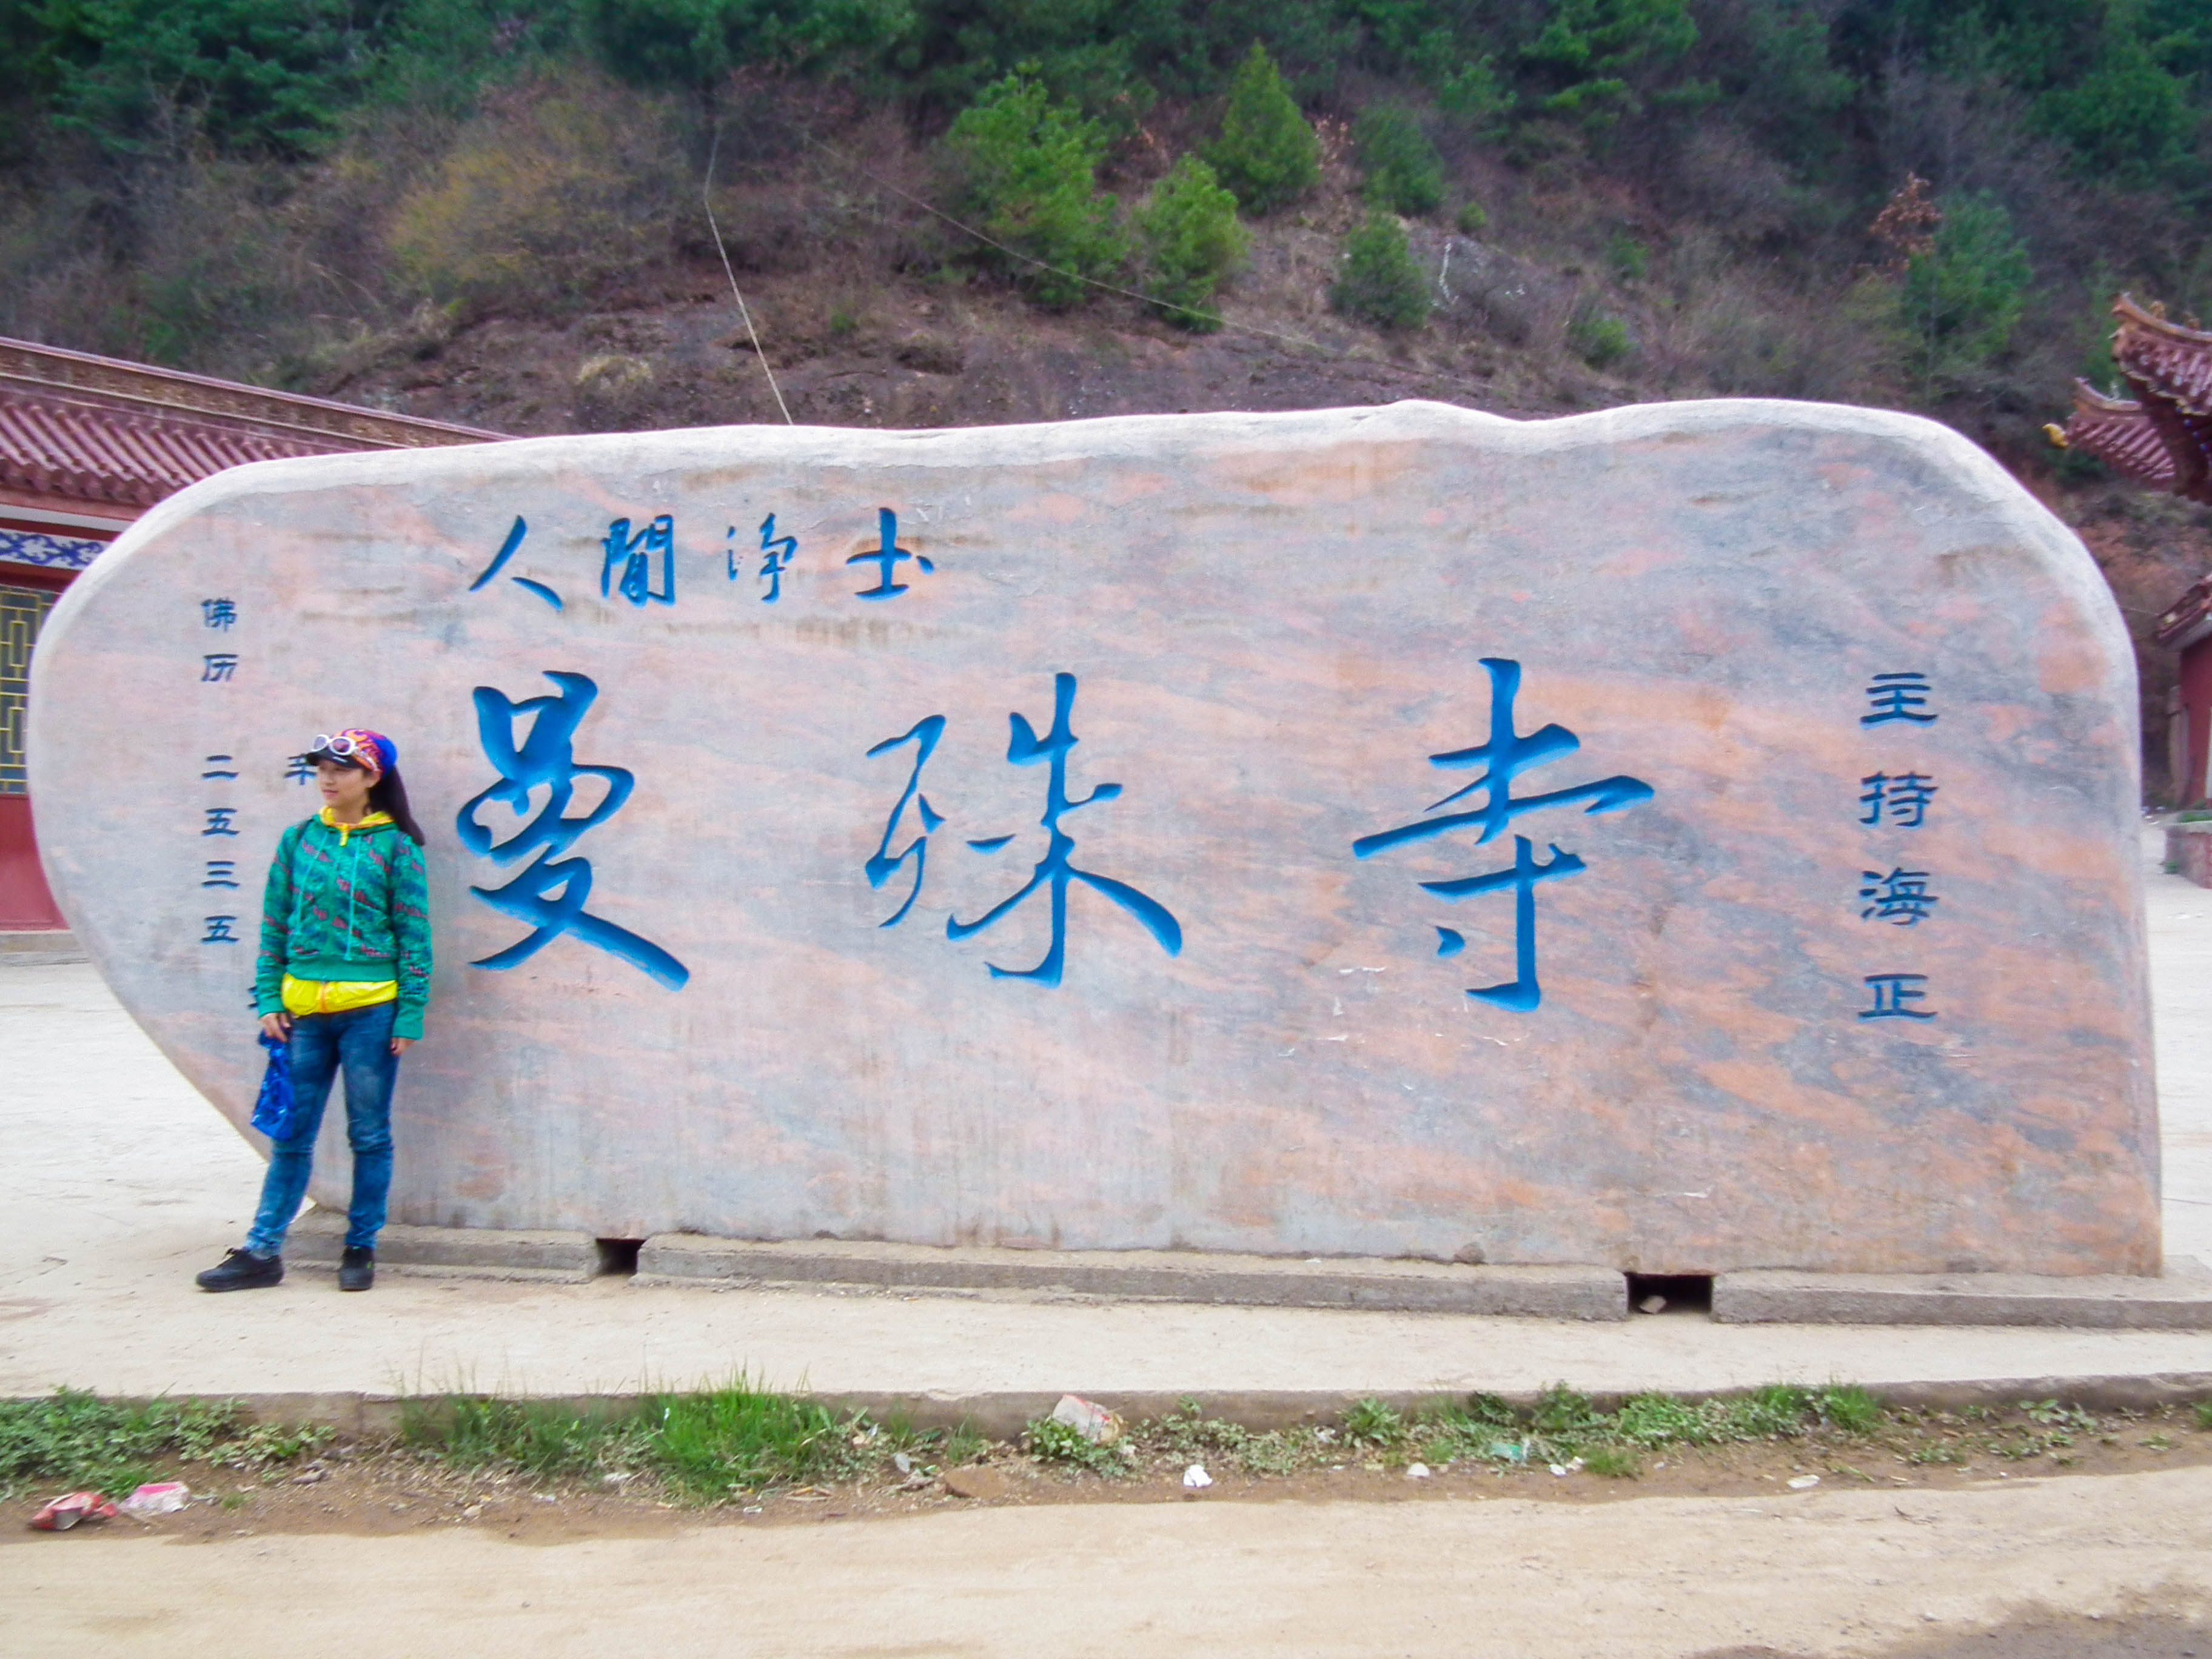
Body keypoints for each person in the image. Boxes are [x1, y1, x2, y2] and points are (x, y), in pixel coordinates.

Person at [196, 729, 432, 1293]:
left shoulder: (396, 847)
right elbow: (274, 922)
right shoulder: (299, 840)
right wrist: (270, 997)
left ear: (373, 779)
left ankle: (361, 1246)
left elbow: (414, 935)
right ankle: (262, 1250)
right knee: (292, 1134)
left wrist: (410, 1012)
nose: (327, 779)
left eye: (341, 770)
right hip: (303, 1013)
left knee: (369, 1133)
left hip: (372, 1013)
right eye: (321, 769)